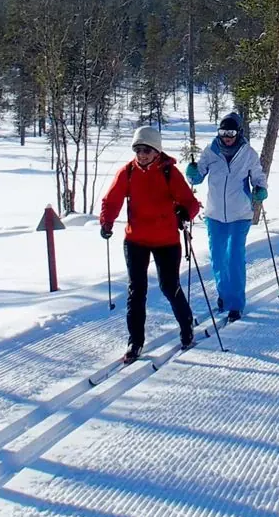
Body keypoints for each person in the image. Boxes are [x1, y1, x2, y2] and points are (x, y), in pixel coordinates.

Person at [100, 126, 203, 362]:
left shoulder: (169, 172)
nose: (142, 154)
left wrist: (184, 212)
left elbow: (191, 202)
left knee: (169, 287)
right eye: (138, 149)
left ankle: (186, 327)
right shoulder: (127, 172)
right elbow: (112, 199)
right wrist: (106, 222)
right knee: (136, 291)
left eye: (146, 149)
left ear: (157, 151)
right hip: (135, 239)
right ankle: (135, 342)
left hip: (166, 241)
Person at [186, 112, 269, 323]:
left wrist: (260, 188)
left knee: (234, 257)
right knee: (218, 258)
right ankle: (223, 295)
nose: (227, 137)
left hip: (240, 214)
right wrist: (193, 173)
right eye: (223, 133)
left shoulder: (248, 153)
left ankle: (235, 304)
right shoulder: (211, 151)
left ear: (238, 132)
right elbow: (198, 175)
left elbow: (258, 176)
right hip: (214, 215)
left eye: (231, 133)